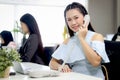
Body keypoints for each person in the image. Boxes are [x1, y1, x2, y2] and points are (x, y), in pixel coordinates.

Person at [49, 2, 109, 80]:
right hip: (74, 77)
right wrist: (60, 66)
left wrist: (81, 38)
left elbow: (95, 62)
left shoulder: (96, 37)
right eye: (69, 20)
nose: (73, 23)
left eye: (76, 17)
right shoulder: (68, 41)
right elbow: (52, 63)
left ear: (85, 18)